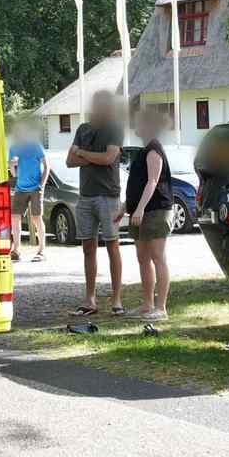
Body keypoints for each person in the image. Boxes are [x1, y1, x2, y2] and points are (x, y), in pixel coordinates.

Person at [66, 90, 124, 316]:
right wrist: (89, 155)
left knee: (112, 245)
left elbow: (109, 158)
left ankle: (116, 299)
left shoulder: (114, 128)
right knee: (88, 247)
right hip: (86, 195)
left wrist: (82, 152)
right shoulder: (83, 129)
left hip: (108, 195)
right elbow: (70, 161)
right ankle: (89, 300)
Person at [125, 107, 171, 320]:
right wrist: (124, 208)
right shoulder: (143, 151)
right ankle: (147, 304)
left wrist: (141, 208)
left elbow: (153, 181)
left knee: (157, 257)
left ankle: (161, 308)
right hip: (139, 211)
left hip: (155, 210)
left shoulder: (154, 149)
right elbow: (138, 184)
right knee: (142, 257)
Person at [7, 120, 48, 262]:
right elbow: (12, 170)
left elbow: (46, 165)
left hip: (36, 187)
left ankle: (41, 251)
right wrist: (12, 165)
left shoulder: (35, 145)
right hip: (20, 188)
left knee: (36, 218)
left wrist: (41, 185)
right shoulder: (14, 148)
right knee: (14, 217)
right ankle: (16, 250)